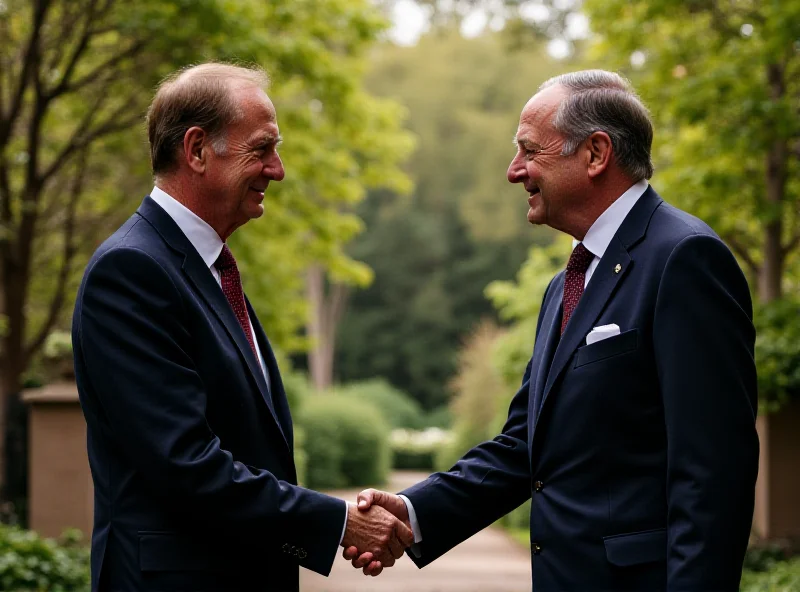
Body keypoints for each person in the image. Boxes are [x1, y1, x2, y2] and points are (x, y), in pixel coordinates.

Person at [346, 70, 759, 591]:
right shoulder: (565, 284)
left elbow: (713, 474)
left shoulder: (684, 259)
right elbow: (526, 446)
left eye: (529, 151)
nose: (514, 171)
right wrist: (412, 510)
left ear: (595, 154)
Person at [71, 63, 412, 592]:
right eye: (262, 148)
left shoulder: (204, 269)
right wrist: (339, 522)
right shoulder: (133, 272)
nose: (277, 170)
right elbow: (185, 463)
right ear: (198, 149)